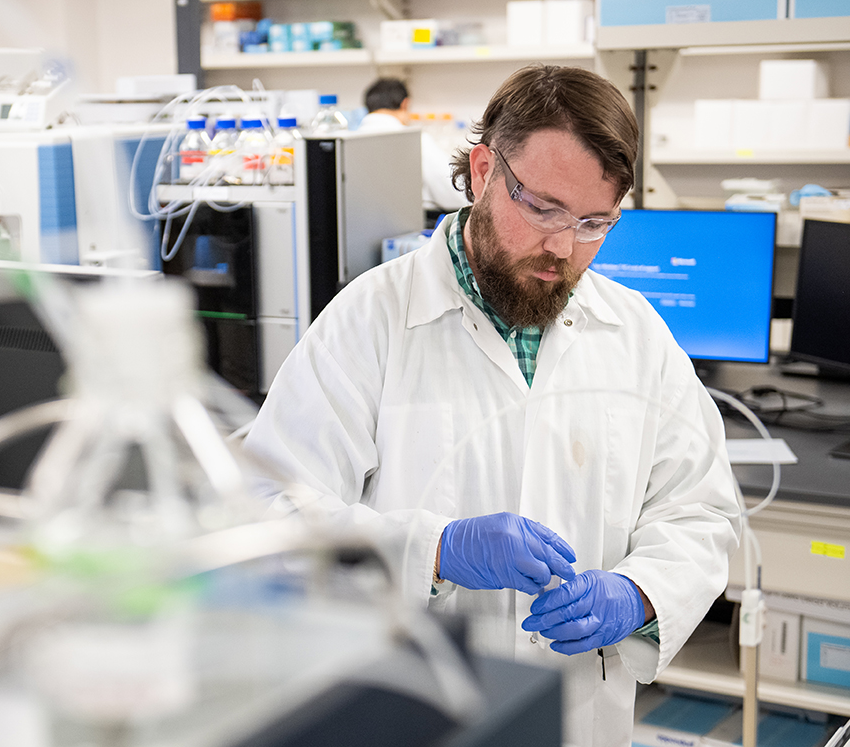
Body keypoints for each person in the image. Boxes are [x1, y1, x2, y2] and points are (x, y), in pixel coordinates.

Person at [243, 64, 741, 747]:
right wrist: (435, 550)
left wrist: (641, 593)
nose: (563, 248)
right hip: (413, 715)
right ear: (482, 170)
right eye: (542, 208)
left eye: (595, 223)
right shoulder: (371, 320)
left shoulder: (637, 333)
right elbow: (266, 517)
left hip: (578, 720)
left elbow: (702, 510)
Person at [357, 77, 468, 214]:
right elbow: (454, 192)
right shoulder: (414, 141)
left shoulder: (348, 142)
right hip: (406, 227)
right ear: (405, 104)